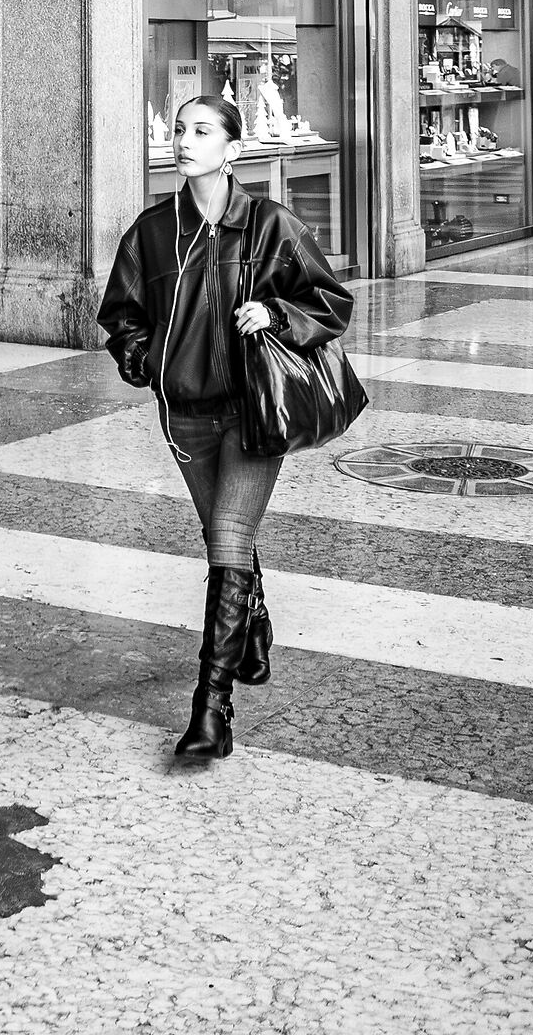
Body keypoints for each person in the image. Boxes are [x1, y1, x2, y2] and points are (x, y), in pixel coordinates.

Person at [98, 94, 352, 761]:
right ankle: (255, 623)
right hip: (184, 419)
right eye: (180, 130)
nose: (186, 140)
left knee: (229, 536)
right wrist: (146, 358)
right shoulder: (151, 232)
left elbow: (330, 302)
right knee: (223, 538)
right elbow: (121, 315)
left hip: (251, 414)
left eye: (202, 131)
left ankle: (211, 711)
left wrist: (274, 312)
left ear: (233, 149)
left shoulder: (271, 225)